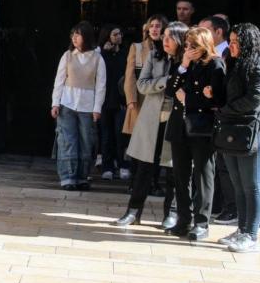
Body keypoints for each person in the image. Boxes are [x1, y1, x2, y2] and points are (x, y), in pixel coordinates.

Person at [113, 19, 180, 228]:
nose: (164, 40)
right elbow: (142, 84)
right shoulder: (154, 55)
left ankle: (171, 213)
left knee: (173, 170)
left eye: (170, 37)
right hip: (152, 117)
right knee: (144, 168)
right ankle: (133, 211)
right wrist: (164, 82)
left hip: (175, 119)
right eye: (164, 36)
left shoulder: (187, 61)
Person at [218, 23, 260, 253]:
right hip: (232, 129)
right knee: (238, 184)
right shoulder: (234, 62)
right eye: (230, 41)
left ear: (247, 43)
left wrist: (224, 110)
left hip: (252, 130)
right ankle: (241, 229)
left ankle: (251, 235)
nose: (231, 46)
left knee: (251, 185)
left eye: (235, 42)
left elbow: (254, 99)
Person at [164, 26, 226, 241]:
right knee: (181, 176)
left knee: (203, 174)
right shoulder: (184, 65)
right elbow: (170, 90)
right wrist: (183, 65)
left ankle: (202, 222)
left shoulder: (215, 64)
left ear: (204, 46)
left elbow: (217, 99)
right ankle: (183, 220)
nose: (188, 49)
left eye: (193, 46)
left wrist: (188, 99)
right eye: (187, 45)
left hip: (201, 127)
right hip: (179, 125)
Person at [50, 21, 106, 191]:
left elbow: (101, 85)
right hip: (67, 104)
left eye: (78, 34)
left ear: (86, 37)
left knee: (86, 141)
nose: (74, 37)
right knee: (67, 141)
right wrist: (55, 103)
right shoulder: (67, 56)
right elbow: (59, 81)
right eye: (73, 34)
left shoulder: (97, 58)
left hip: (87, 106)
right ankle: (67, 177)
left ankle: (82, 177)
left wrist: (97, 108)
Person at [199, 15, 237, 225]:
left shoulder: (226, 53)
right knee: (213, 163)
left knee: (225, 164)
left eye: (205, 31)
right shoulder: (207, 54)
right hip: (211, 116)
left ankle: (231, 207)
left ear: (218, 32)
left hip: (224, 114)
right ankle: (215, 203)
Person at [97, 24, 128, 181]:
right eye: (115, 34)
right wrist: (104, 52)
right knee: (106, 135)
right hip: (104, 100)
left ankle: (123, 165)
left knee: (120, 135)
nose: (118, 37)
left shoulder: (125, 54)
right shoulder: (101, 55)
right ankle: (107, 167)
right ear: (107, 36)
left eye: (119, 34)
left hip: (121, 100)